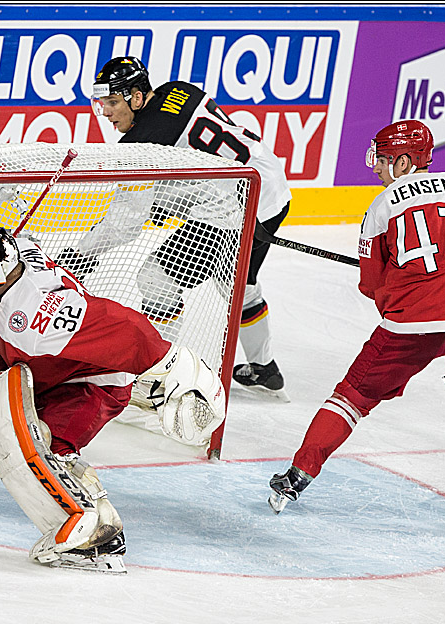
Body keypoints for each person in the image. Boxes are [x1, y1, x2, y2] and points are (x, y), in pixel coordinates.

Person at [0, 226, 227, 573]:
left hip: (90, 382)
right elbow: (14, 247)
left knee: (48, 446)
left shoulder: (36, 322)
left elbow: (119, 328)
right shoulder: (19, 254)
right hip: (43, 366)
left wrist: (168, 361)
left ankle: (98, 538)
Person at [267, 119, 445, 531]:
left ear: (402, 161)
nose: (376, 168)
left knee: (354, 394)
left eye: (382, 160)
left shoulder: (381, 208)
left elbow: (372, 286)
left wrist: (403, 289)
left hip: (413, 323)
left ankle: (296, 477)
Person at [70, 56, 293, 399]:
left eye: (113, 102)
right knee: (236, 286)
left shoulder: (142, 143)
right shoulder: (178, 90)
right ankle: (265, 367)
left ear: (137, 97)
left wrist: (82, 252)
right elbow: (193, 157)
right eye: (102, 103)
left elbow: (127, 222)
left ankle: (160, 376)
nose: (106, 113)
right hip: (270, 187)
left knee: (156, 279)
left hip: (234, 208)